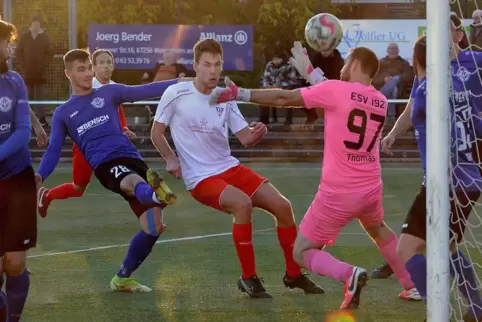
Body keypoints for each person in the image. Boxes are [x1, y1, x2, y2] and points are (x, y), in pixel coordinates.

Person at [211, 42, 421, 308]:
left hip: (339, 191)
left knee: (301, 252)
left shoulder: (336, 90)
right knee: (377, 229)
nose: (342, 68)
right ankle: (411, 285)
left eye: (346, 63)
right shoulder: (379, 100)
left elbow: (285, 98)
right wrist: (310, 71)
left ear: (354, 65)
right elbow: (337, 92)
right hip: (370, 188)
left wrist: (240, 93)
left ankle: (349, 275)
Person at [150, 38, 324, 298]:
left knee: (283, 206)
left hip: (229, 167)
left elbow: (244, 137)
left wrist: (256, 133)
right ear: (196, 65)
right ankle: (248, 278)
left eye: (217, 64)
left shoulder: (225, 96)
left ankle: (294, 275)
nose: (212, 70)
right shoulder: (176, 93)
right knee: (243, 204)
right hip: (200, 177)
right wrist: (171, 159)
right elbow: (156, 132)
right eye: (207, 64)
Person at [35, 48, 180, 293]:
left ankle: (122, 278)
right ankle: (155, 193)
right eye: (81, 69)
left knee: (154, 227)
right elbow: (53, 151)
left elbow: (144, 91)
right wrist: (40, 175)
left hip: (131, 156)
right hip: (105, 164)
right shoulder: (63, 113)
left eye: (89, 68)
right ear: (68, 74)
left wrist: (181, 83)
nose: (87, 73)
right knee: (131, 181)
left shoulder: (109, 92)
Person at [376, 16, 482, 322]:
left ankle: (438, 311)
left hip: (445, 180)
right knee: (446, 245)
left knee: (407, 249)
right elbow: (411, 108)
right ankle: (475, 305)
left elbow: (416, 104)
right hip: (467, 177)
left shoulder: (456, 70)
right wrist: (394, 133)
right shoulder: (432, 81)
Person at [37, 49, 137, 217]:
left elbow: (116, 112)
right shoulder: (89, 86)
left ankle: (147, 207)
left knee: (128, 174)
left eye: (109, 63)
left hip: (109, 147)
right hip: (86, 146)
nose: (106, 67)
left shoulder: (111, 88)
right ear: (94, 67)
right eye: (102, 63)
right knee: (78, 188)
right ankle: (46, 195)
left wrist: (124, 129)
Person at [0, 19, 37, 322]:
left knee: (13, 263)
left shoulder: (15, 81)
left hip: (17, 179)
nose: (9, 47)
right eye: (5, 41)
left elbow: (23, 131)